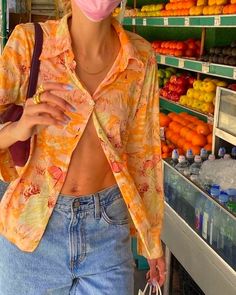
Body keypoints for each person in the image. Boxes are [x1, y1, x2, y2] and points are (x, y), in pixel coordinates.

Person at [0, 0, 166, 294]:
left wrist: (151, 240)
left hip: (107, 230)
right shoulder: (28, 44)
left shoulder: (140, 59)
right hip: (32, 230)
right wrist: (19, 127)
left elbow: (144, 155)